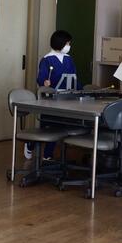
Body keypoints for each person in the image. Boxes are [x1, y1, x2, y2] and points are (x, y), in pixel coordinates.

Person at [24, 30, 81, 160]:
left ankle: (47, 155)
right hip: (50, 100)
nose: (69, 46)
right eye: (67, 43)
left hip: (66, 98)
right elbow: (41, 79)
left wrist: (81, 91)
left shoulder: (69, 59)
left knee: (58, 127)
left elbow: (74, 77)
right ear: (60, 43)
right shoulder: (47, 59)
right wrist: (44, 82)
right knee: (47, 127)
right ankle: (31, 143)